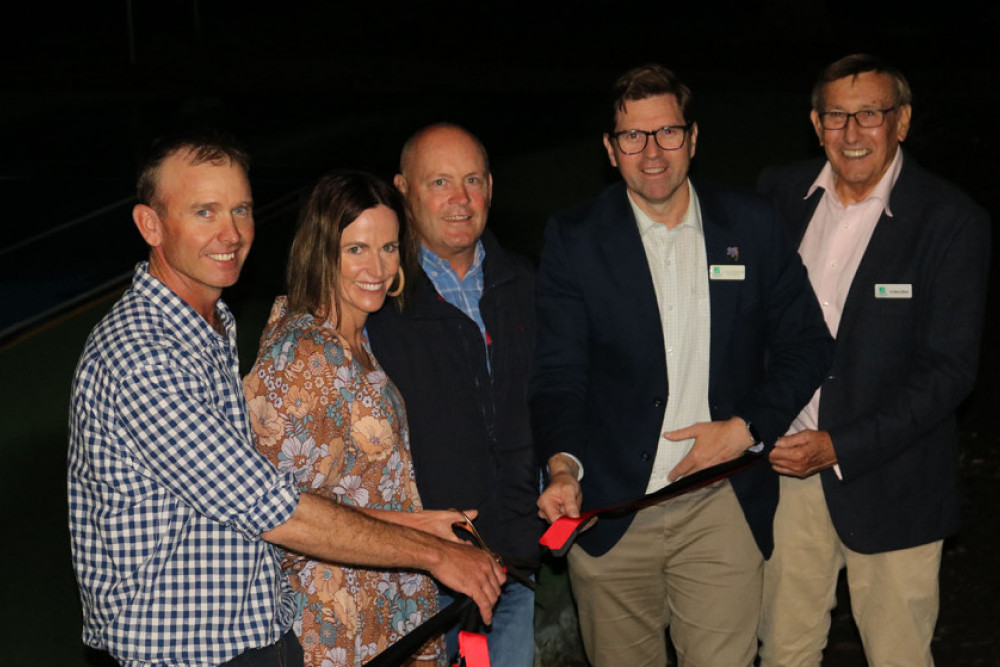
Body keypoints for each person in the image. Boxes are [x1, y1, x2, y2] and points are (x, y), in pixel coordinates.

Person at [67, 136, 504, 667]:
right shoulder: (143, 355)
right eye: (204, 212)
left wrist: (415, 524)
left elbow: (255, 501)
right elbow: (269, 504)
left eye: (241, 210)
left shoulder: (209, 331)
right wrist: (434, 553)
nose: (230, 234)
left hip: (254, 641)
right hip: (183, 655)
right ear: (150, 226)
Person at [531, 64, 833, 666]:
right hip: (612, 513)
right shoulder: (575, 239)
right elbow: (561, 374)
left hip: (720, 506)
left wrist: (747, 428)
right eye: (632, 137)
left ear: (692, 139)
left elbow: (808, 345)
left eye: (667, 132)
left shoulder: (751, 225)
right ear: (610, 149)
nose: (651, 152)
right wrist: (563, 466)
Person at [756, 54, 991, 667]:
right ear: (816, 123)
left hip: (895, 480)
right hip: (786, 478)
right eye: (837, 115)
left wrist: (841, 444)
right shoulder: (778, 197)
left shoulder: (950, 222)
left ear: (902, 121)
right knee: (783, 650)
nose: (853, 133)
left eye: (870, 114)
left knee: (898, 656)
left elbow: (949, 371)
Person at [244, 170, 471, 665]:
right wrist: (418, 533)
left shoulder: (356, 340)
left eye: (388, 248)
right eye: (357, 249)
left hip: (392, 599)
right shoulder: (303, 353)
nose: (378, 267)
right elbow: (282, 517)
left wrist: (421, 525)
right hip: (338, 625)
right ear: (322, 251)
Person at [366, 123, 542, 667]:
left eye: (472, 180)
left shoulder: (526, 284)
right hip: (421, 579)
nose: (460, 199)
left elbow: (545, 405)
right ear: (403, 189)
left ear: (490, 186)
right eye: (439, 182)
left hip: (512, 563)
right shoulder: (376, 301)